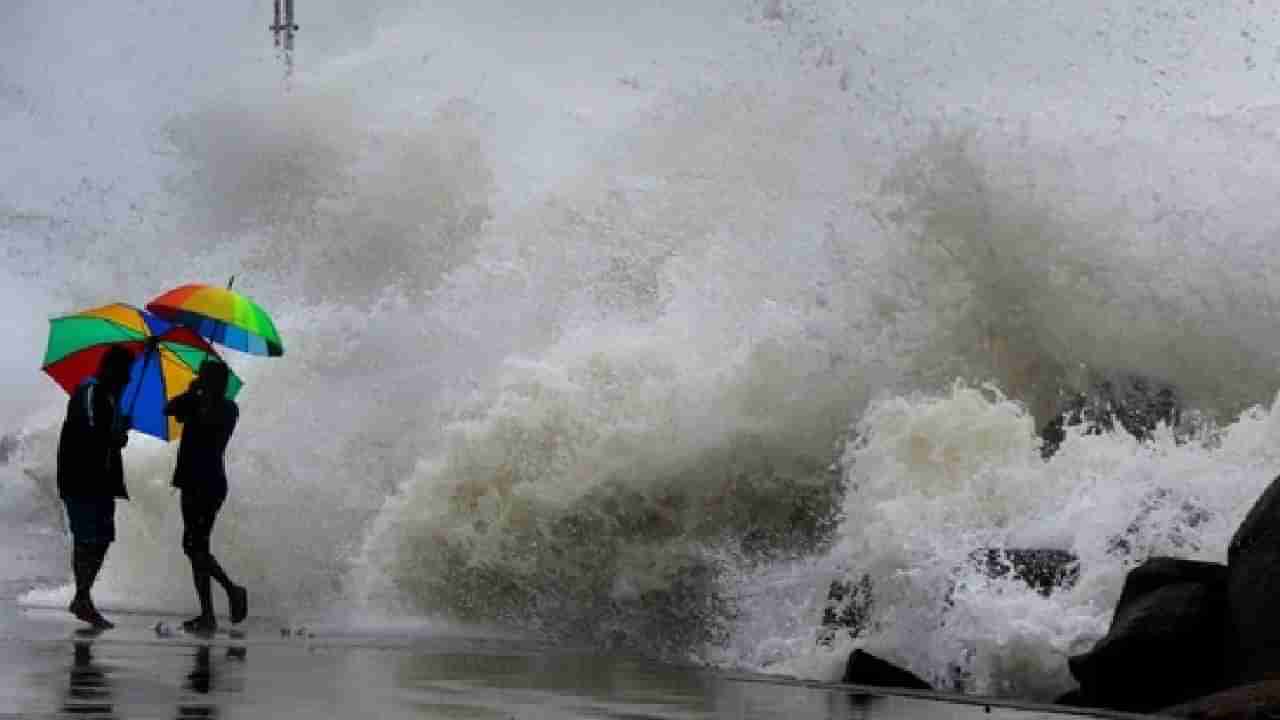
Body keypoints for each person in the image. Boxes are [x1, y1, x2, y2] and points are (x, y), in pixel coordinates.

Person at [164, 360, 247, 633]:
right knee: (195, 547)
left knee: (194, 546)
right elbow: (170, 409)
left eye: (203, 377)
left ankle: (232, 591)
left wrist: (196, 397)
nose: (200, 379)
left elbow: (208, 423)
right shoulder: (199, 402)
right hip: (193, 482)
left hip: (206, 483)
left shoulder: (226, 409)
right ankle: (208, 613)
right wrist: (192, 393)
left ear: (213, 382)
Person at [57, 346, 134, 629]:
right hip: (81, 477)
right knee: (87, 538)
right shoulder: (90, 391)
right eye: (126, 371)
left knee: (101, 538)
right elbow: (91, 432)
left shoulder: (111, 397)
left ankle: (83, 597)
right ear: (112, 369)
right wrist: (115, 435)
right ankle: (82, 598)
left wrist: (120, 431)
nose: (128, 378)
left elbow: (107, 438)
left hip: (101, 480)